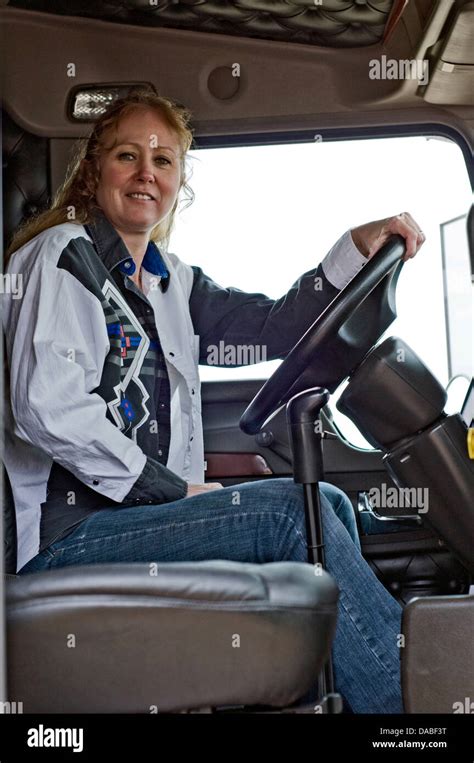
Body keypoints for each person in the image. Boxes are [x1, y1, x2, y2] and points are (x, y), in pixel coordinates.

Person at [2, 90, 425, 713]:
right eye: (128, 155)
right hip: (68, 541)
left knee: (325, 498)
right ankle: (416, 705)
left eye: (165, 160)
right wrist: (172, 490)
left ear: (179, 183)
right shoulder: (64, 256)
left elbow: (276, 328)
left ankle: (348, 693)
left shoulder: (173, 284)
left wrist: (352, 251)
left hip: (130, 525)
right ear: (96, 172)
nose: (148, 172)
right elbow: (48, 407)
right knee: (289, 514)